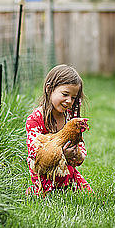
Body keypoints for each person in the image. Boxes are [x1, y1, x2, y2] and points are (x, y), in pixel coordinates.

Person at [25, 64, 93, 196]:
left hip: (68, 171)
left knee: (89, 194)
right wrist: (61, 155)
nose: (69, 101)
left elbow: (81, 145)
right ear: (49, 89)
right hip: (44, 175)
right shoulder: (35, 120)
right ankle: (37, 189)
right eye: (65, 94)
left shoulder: (70, 117)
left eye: (73, 98)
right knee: (43, 195)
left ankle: (66, 185)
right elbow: (34, 154)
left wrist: (77, 154)